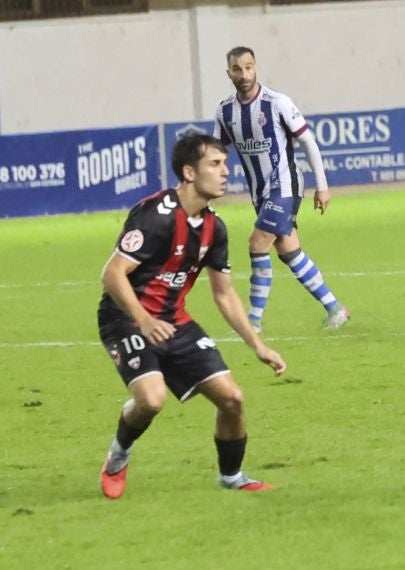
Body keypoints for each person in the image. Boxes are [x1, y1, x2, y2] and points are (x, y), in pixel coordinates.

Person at [96, 132, 288, 498]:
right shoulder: (155, 217)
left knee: (232, 398)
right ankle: (118, 456)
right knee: (152, 400)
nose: (224, 172)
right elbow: (112, 274)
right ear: (189, 172)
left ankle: (231, 477)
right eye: (214, 165)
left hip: (173, 319)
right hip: (125, 317)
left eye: (225, 164)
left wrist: (258, 346)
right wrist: (144, 319)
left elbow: (224, 294)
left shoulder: (215, 228)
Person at [214, 47, 350, 333]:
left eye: (249, 67)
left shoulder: (277, 103)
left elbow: (308, 142)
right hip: (260, 193)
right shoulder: (225, 111)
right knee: (290, 252)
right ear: (229, 74)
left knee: (256, 243)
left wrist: (322, 187)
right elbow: (217, 152)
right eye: (237, 69)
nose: (244, 74)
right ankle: (335, 308)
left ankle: (253, 322)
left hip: (286, 186)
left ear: (256, 67)